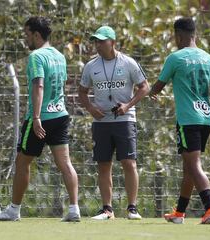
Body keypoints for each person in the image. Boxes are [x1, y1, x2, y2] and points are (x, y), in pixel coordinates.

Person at [0, 16, 80, 222]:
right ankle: (74, 209)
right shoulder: (59, 56)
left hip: (40, 117)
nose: (25, 39)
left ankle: (13, 210)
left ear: (36, 35)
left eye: (27, 35)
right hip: (60, 114)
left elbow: (39, 85)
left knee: (22, 162)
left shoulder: (36, 57)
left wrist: (36, 117)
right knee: (65, 164)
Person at [149, 17, 210, 224]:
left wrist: (152, 92)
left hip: (187, 119)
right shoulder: (209, 58)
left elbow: (158, 86)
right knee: (189, 166)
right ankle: (179, 213)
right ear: (194, 34)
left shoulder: (175, 58)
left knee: (194, 165)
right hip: (206, 119)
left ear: (178, 35)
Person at [78, 26, 149, 220]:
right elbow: (82, 92)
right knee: (103, 164)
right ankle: (107, 209)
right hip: (101, 122)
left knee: (129, 162)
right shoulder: (91, 66)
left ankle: (132, 208)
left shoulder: (128, 63)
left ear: (113, 42)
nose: (98, 45)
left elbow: (144, 87)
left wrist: (128, 105)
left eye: (101, 41)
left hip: (125, 120)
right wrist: (91, 109)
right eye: (96, 41)